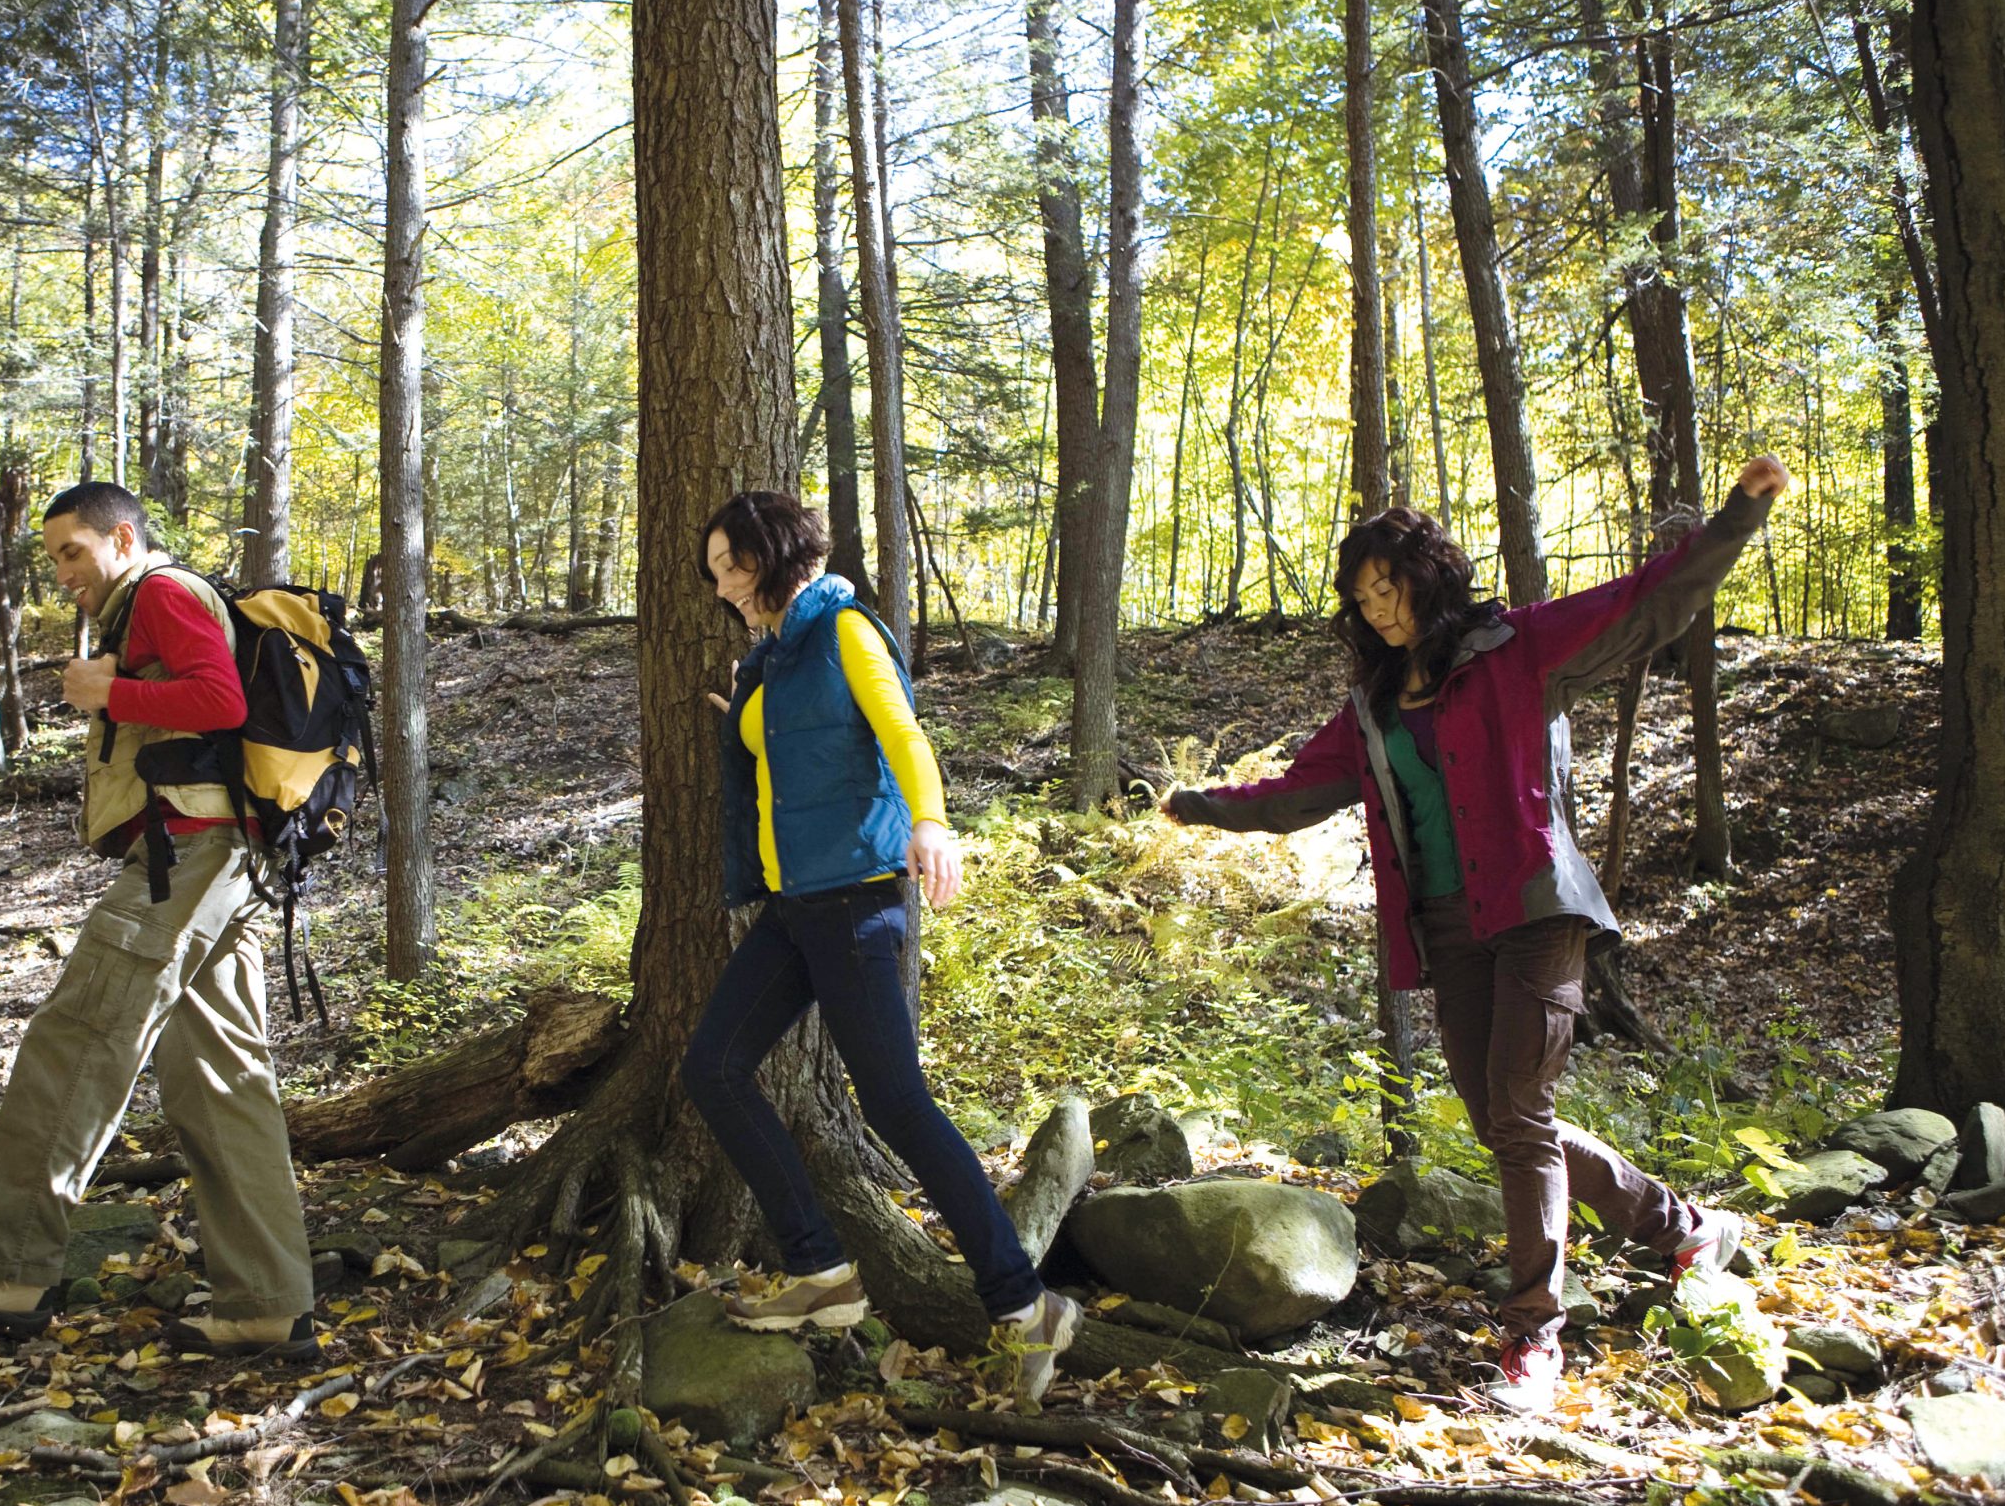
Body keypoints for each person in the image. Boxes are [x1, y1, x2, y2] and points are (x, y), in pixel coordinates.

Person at [1165, 455, 1791, 1412]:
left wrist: (1735, 519)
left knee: (1516, 1108)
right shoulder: (1372, 710)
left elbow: (1646, 603)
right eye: (1361, 596)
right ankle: (1685, 1228)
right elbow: (1296, 792)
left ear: (1428, 577)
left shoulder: (1518, 649)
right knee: (1505, 1118)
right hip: (1448, 931)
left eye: (1390, 586)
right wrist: (1204, 807)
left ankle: (1535, 1333)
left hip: (1538, 911)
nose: (1377, 607)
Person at [0, 483, 319, 1358]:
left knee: (78, 1038)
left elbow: (220, 701)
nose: (63, 574)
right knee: (221, 1079)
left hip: (186, 855)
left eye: (71, 552)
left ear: (121, 537)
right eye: (54, 558)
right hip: (221, 860)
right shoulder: (158, 597)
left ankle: (2, 1275)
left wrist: (111, 686)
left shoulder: (162, 593)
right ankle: (267, 1303)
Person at [681, 491, 1080, 1405]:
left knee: (898, 1106)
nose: (723, 587)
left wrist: (932, 824)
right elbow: (784, 750)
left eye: (732, 566)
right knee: (713, 1066)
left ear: (775, 555)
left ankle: (1026, 1305)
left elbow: (902, 732)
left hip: (858, 901)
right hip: (792, 910)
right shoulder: (769, 658)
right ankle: (821, 1270)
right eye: (714, 574)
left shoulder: (843, 630)